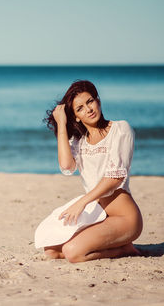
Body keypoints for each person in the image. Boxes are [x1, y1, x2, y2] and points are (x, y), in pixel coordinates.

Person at [34, 80, 143, 263]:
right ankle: (118, 245)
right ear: (76, 116)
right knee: (51, 251)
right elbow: (67, 167)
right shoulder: (79, 141)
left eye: (90, 101)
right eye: (80, 108)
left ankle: (124, 249)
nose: (88, 109)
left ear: (98, 101)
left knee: (73, 252)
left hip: (125, 217)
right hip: (98, 214)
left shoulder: (120, 129)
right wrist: (62, 125)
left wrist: (82, 203)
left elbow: (114, 179)